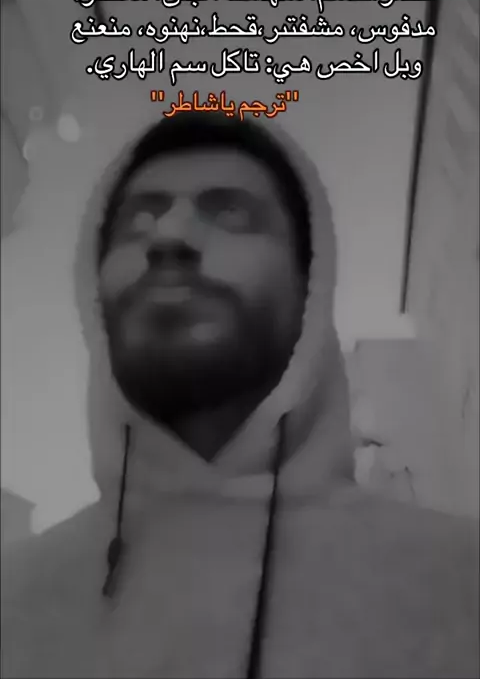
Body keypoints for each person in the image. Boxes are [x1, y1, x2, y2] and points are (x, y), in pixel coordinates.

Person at [2, 113, 478, 679]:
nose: (169, 236)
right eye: (138, 221)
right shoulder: (15, 602)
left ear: (310, 287)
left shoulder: (458, 586)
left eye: (229, 214)